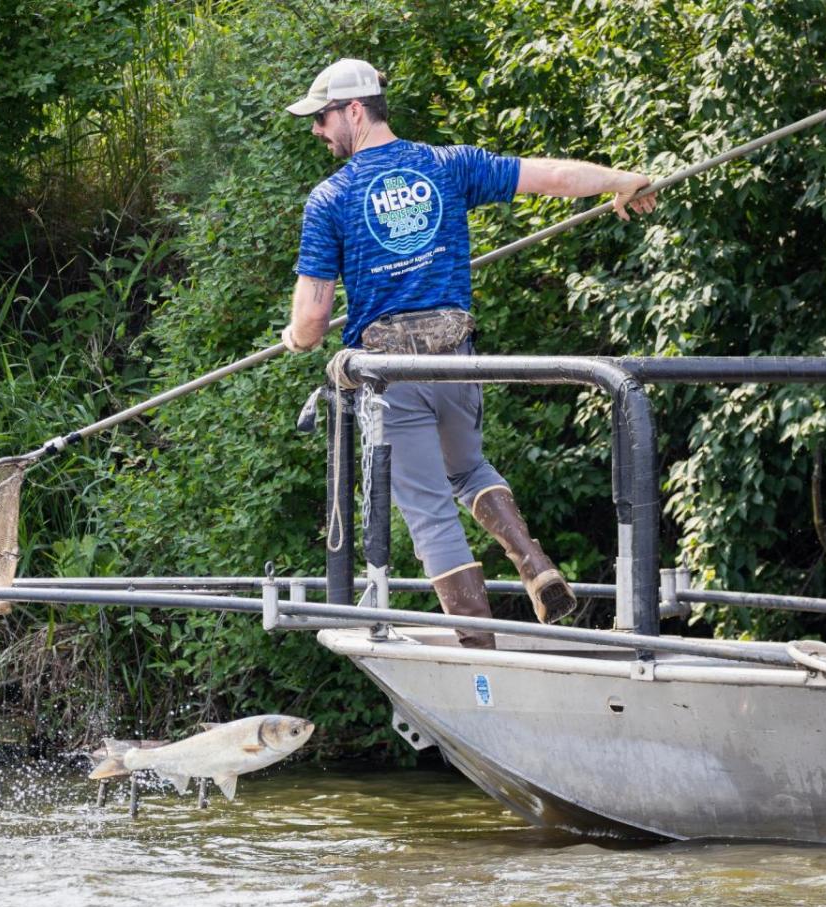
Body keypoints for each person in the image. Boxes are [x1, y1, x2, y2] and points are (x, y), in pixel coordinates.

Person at [281, 58, 657, 648]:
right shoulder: (448, 165)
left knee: (431, 513)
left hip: (392, 374)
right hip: (459, 361)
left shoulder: (332, 197)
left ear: (355, 110)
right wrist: (621, 180)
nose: (317, 130)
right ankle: (533, 562)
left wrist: (296, 339)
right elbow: (554, 178)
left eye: (323, 117)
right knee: (468, 469)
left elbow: (312, 320)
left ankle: (480, 654)